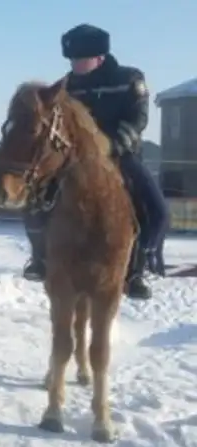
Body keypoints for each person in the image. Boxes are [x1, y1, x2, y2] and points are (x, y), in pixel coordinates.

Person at [22, 24, 169, 300]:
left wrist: (111, 146)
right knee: (36, 198)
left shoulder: (129, 79)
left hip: (120, 156)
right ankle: (39, 259)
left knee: (158, 211)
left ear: (100, 57)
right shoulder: (66, 87)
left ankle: (139, 268)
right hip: (75, 160)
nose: (74, 65)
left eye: (80, 59)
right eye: (71, 60)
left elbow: (138, 120)